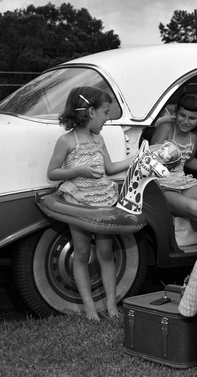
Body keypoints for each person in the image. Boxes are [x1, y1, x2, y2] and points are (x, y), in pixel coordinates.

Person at [47, 86, 134, 320]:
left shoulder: (100, 139)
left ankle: (112, 305)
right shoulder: (66, 141)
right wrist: (79, 170)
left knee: (106, 253)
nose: (107, 118)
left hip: (102, 200)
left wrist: (136, 158)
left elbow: (110, 168)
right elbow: (53, 172)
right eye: (106, 112)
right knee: (82, 253)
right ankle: (90, 308)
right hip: (80, 202)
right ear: (91, 112)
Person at [151, 93, 197, 238]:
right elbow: (150, 159)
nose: (185, 121)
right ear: (175, 113)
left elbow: (188, 160)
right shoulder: (166, 128)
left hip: (182, 182)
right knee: (196, 209)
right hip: (161, 185)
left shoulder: (195, 136)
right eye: (182, 115)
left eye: (192, 118)